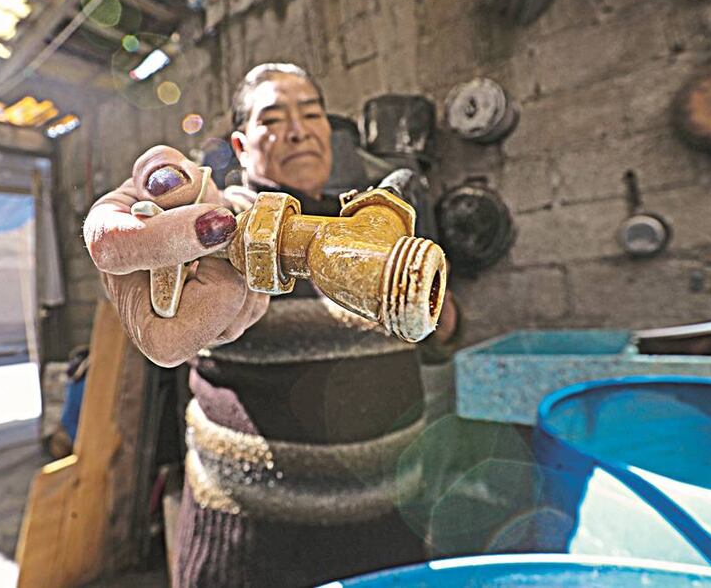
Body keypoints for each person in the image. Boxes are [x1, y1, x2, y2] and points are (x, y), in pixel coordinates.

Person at [85, 62, 458, 587]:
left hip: (391, 529)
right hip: (248, 544)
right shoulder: (229, 221)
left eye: (311, 114)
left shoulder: (374, 220)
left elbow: (439, 337)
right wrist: (166, 219)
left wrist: (432, 312)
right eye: (272, 119)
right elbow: (203, 211)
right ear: (240, 147)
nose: (298, 130)